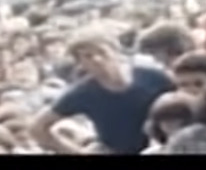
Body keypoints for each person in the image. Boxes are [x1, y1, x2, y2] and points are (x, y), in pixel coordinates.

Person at [30, 29, 173, 155]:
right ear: (81, 63)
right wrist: (73, 151)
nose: (97, 60)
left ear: (115, 51)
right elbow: (38, 128)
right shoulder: (83, 92)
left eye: (102, 52)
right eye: (87, 56)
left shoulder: (151, 76)